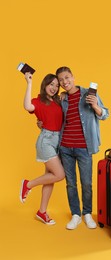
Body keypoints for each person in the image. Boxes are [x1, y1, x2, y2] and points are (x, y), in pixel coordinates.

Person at [56, 66, 109, 230]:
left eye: (67, 77)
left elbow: (105, 114)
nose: (65, 82)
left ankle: (87, 213)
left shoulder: (88, 94)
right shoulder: (62, 99)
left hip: (84, 148)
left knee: (86, 183)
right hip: (65, 148)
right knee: (71, 184)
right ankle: (76, 215)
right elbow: (56, 119)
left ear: (73, 76)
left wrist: (95, 106)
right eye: (61, 80)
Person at [20, 72, 65, 225]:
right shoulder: (38, 101)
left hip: (58, 141)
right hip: (46, 141)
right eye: (51, 84)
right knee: (59, 174)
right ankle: (28, 184)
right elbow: (27, 106)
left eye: (56, 86)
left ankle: (42, 212)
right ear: (45, 84)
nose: (54, 88)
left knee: (50, 178)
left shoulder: (58, 101)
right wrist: (29, 83)